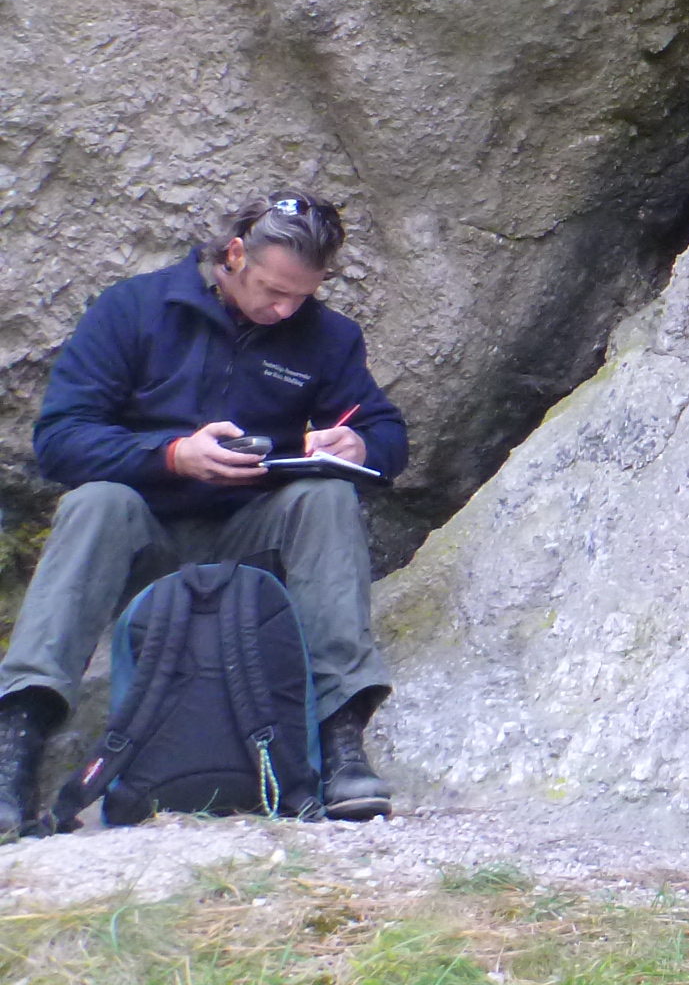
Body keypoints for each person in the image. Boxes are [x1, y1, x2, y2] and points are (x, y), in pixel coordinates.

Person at [0, 193, 408, 835]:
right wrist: (171, 456)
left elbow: (386, 434)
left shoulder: (326, 337)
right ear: (235, 254)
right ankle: (15, 746)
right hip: (143, 541)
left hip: (253, 550)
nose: (286, 309)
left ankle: (340, 744)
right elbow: (59, 440)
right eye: (274, 290)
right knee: (95, 501)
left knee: (327, 496)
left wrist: (360, 445)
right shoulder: (135, 309)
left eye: (302, 295)